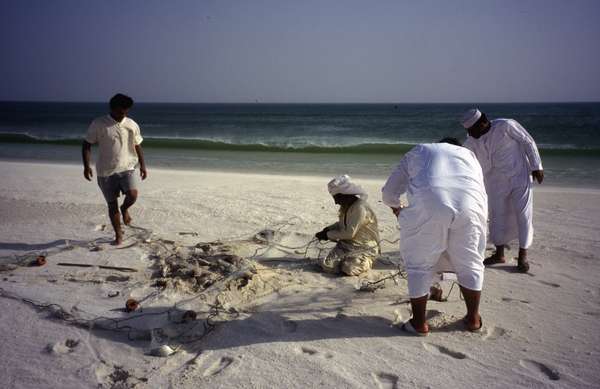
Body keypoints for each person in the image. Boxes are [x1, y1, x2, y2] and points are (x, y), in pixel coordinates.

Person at [382, 140, 487, 335]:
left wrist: (397, 209)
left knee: (419, 264)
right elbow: (479, 190)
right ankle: (473, 319)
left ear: (440, 144)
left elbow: (388, 193)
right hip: (472, 208)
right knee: (470, 263)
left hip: (431, 205)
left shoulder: (421, 150)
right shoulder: (470, 157)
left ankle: (419, 324)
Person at [461, 109, 543, 273]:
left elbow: (528, 141)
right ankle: (499, 254)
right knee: (496, 216)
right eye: (468, 131)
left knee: (524, 215)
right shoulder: (471, 141)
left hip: (519, 176)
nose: (470, 134)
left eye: (472, 130)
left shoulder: (506, 125)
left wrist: (536, 166)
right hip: (494, 182)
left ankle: (523, 255)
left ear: (483, 123)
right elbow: (462, 157)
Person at [82, 93, 147, 245]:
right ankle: (118, 234)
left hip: (128, 167)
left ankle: (124, 209)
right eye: (120, 111)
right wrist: (86, 166)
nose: (123, 114)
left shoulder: (131, 124)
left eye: (126, 111)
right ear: (112, 108)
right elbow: (86, 144)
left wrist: (143, 165)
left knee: (132, 195)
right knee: (112, 205)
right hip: (106, 171)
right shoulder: (99, 124)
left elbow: (137, 145)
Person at [315, 175, 380, 276]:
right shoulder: (347, 205)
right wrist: (327, 229)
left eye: (337, 198)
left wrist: (327, 235)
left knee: (349, 268)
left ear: (345, 195)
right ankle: (346, 258)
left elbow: (349, 234)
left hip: (363, 247)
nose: (336, 202)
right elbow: (342, 224)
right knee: (328, 266)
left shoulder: (360, 207)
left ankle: (367, 260)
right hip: (347, 245)